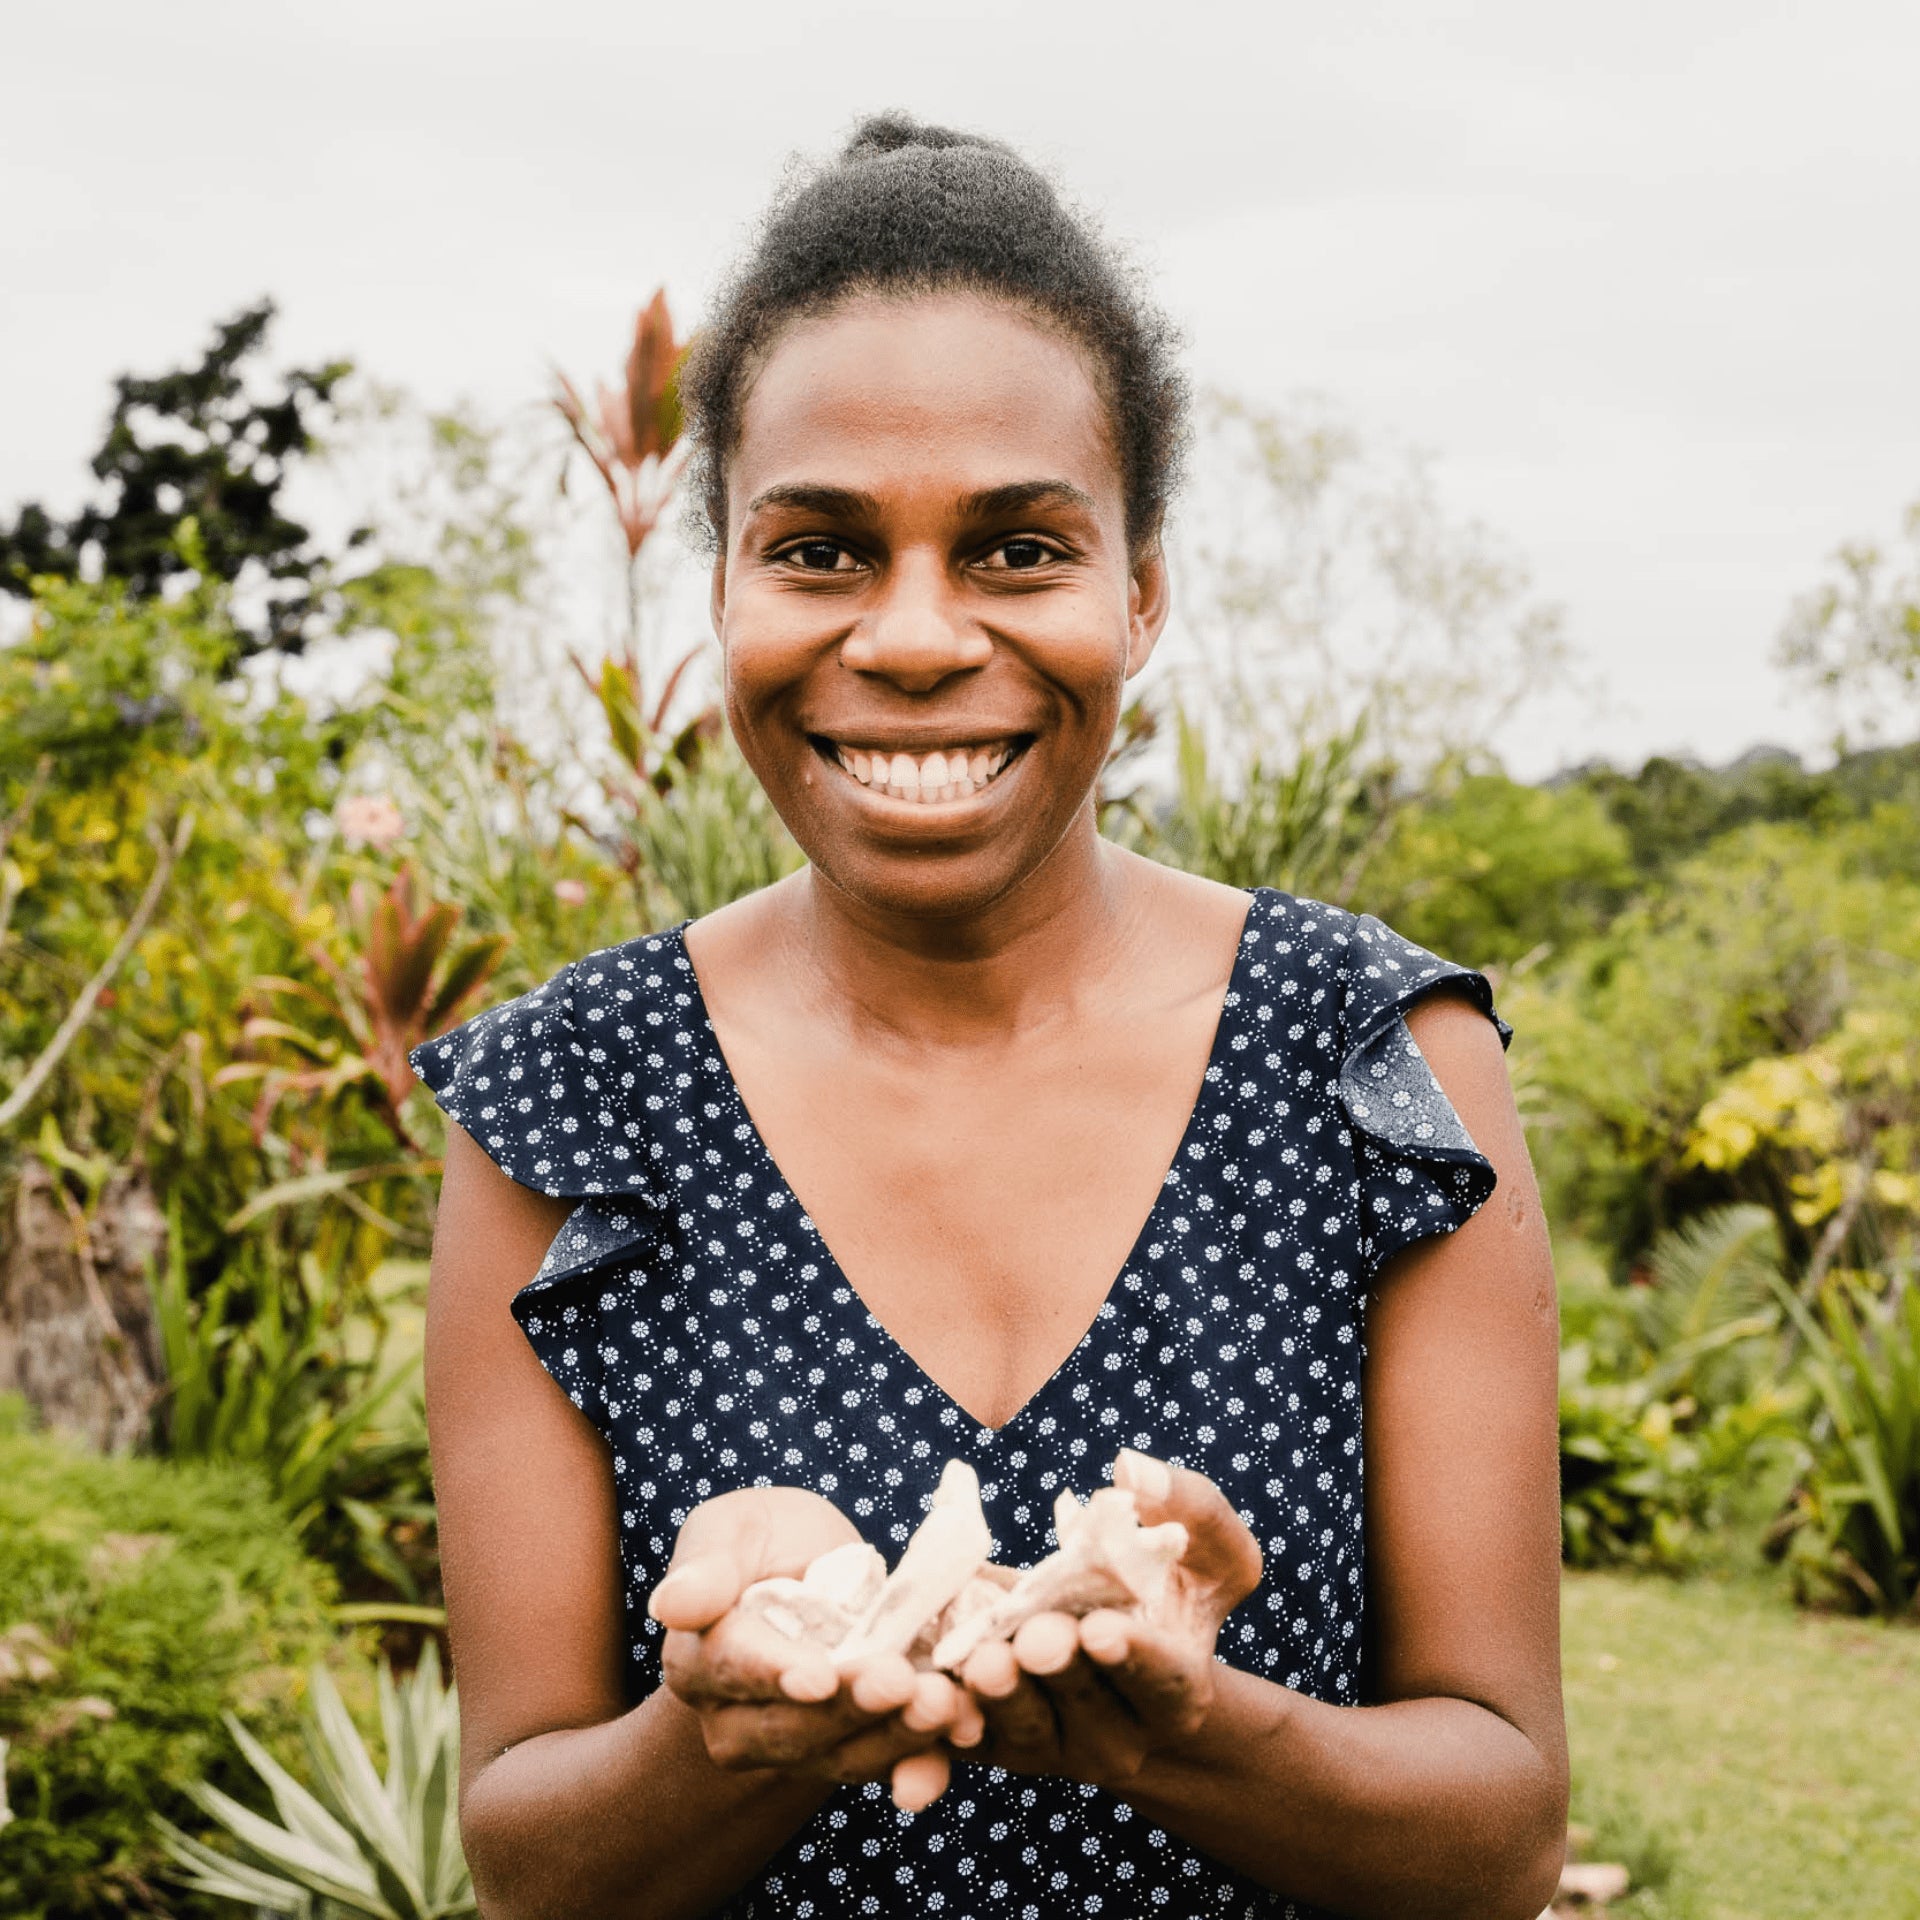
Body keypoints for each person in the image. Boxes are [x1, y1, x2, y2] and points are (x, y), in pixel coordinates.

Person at [415, 115, 1567, 1920]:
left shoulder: (1378, 1068)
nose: (918, 635)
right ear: (724, 584)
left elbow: (1499, 1830)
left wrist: (1186, 1724)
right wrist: (723, 1726)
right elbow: (527, 1855)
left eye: (1020, 549)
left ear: (1144, 588)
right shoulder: (570, 1107)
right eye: (821, 551)